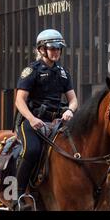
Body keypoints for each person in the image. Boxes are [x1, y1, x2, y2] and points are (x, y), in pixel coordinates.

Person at [14, 29, 78, 210]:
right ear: (42, 49)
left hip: (56, 123)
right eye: (53, 48)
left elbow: (73, 100)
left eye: (59, 48)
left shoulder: (64, 73)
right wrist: (32, 119)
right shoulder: (31, 71)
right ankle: (18, 195)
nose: (56, 51)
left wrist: (70, 111)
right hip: (33, 122)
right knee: (32, 151)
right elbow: (19, 100)